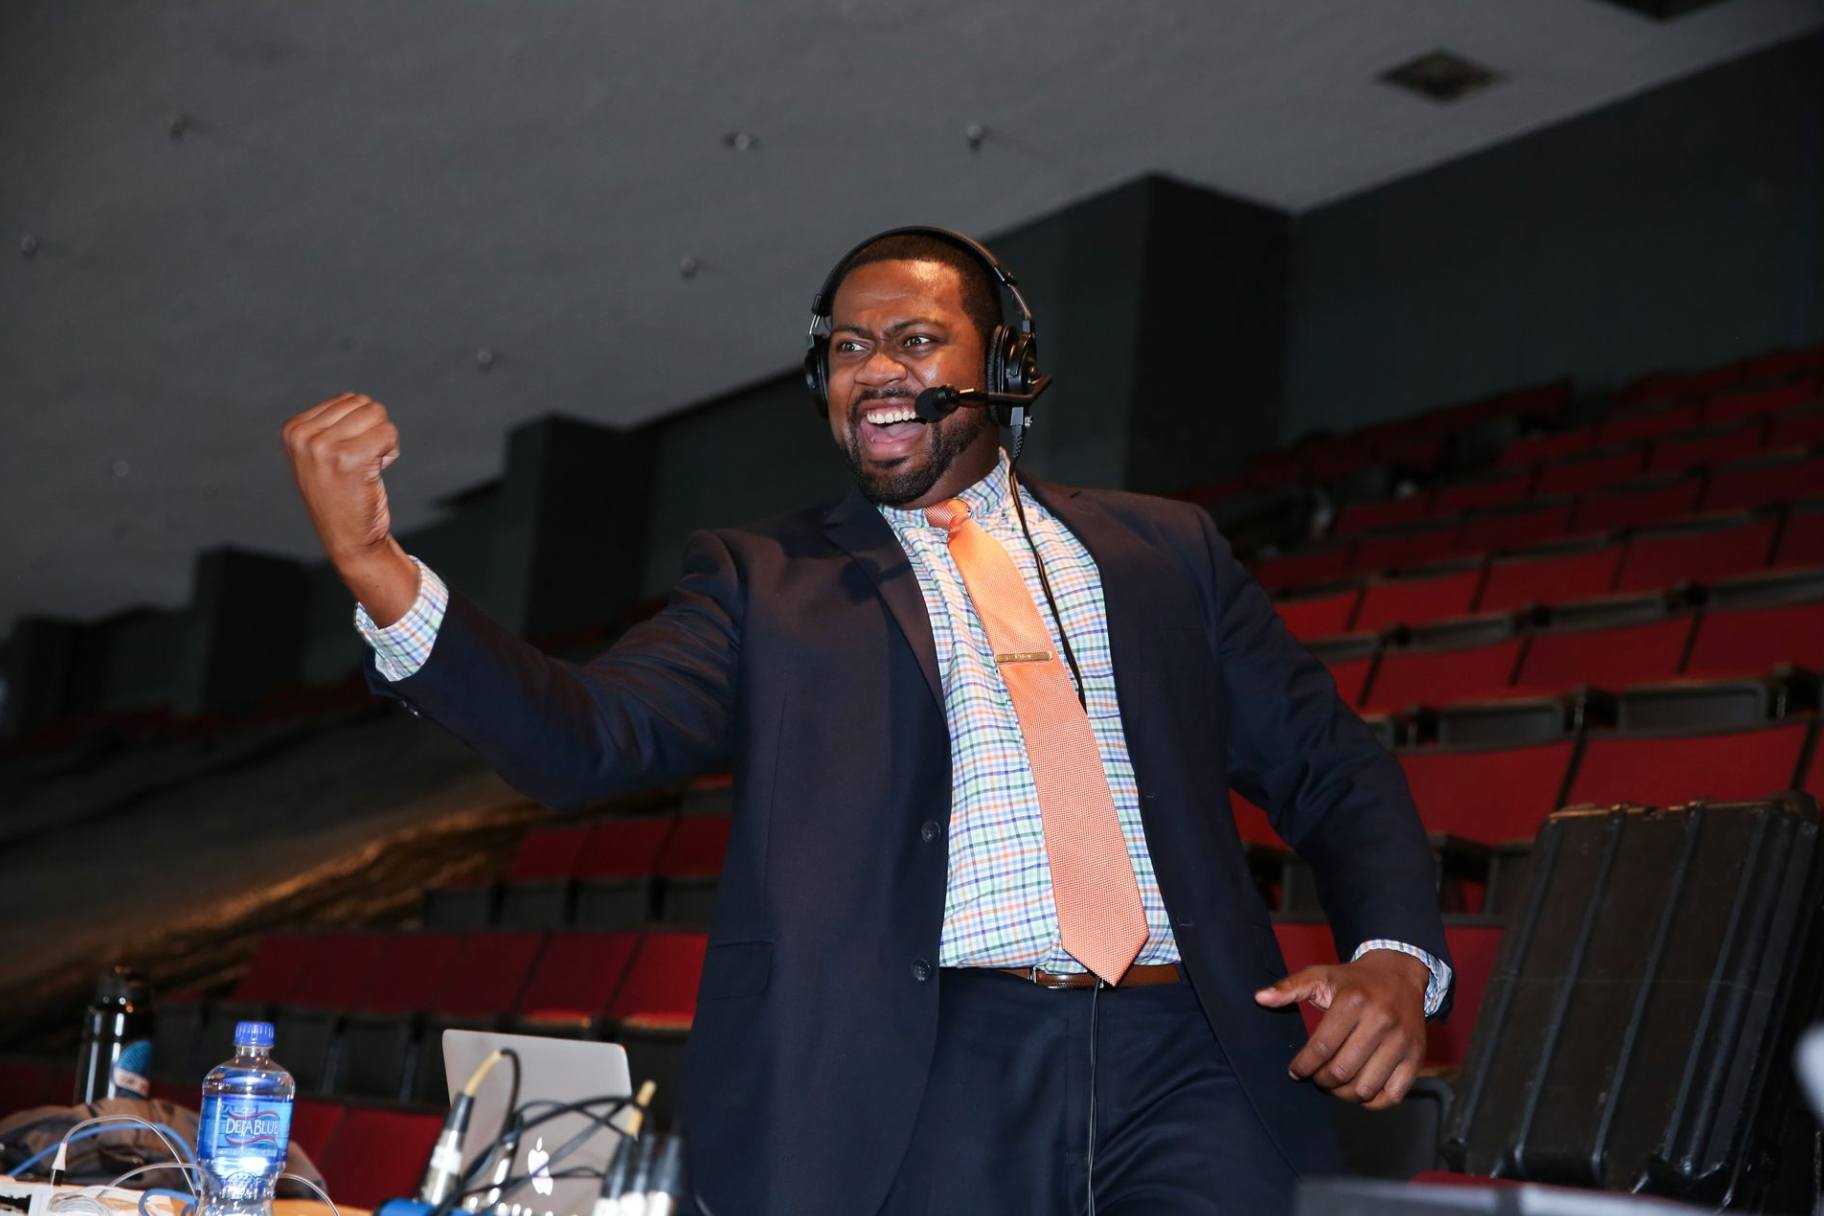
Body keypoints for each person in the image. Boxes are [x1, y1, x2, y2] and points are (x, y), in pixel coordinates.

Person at [280, 227, 1452, 1216]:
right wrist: (377, 566)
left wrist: (1395, 959)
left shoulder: (1165, 551)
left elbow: (1332, 767)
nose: (871, 370)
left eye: (911, 339)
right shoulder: (763, 581)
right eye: (846, 348)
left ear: (1005, 362)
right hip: (929, 1069)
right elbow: (584, 738)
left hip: (1191, 1054)